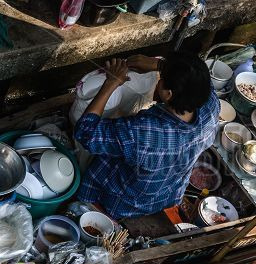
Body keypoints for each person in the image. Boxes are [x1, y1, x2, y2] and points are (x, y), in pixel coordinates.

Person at [74, 52, 219, 219]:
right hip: (166, 196)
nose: (159, 79)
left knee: (101, 155)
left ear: (168, 94)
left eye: (162, 78)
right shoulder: (211, 106)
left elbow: (85, 132)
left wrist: (111, 82)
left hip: (123, 202)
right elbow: (198, 81)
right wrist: (158, 65)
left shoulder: (145, 132)